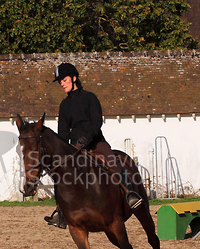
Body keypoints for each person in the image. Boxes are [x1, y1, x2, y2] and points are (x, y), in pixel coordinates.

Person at [44, 62, 142, 228]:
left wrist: (86, 138)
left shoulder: (90, 98)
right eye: (60, 81)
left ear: (74, 78)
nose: (62, 83)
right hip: (75, 148)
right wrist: (64, 150)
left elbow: (97, 122)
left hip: (95, 142)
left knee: (113, 161)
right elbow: (63, 133)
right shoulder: (64, 105)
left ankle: (130, 193)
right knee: (60, 172)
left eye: (64, 79)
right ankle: (60, 212)